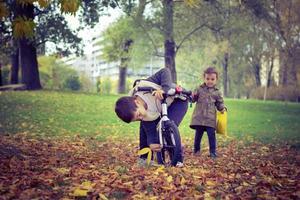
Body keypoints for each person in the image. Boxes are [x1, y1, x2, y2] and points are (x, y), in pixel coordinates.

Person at [115, 68, 188, 167]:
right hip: (160, 108)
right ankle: (145, 158)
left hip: (177, 101)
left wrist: (163, 89)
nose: (140, 118)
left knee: (169, 128)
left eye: (138, 115)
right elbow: (149, 128)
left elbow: (165, 71)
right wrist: (152, 142)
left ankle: (177, 159)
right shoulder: (142, 114)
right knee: (146, 125)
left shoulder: (146, 85)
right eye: (137, 119)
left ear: (136, 102)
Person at [190, 67, 226, 158]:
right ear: (204, 78)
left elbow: (219, 103)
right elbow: (193, 100)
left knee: (211, 135)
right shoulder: (199, 89)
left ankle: (212, 152)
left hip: (210, 118)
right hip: (199, 117)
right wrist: (193, 96)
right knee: (198, 135)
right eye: (208, 79)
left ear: (216, 80)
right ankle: (196, 150)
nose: (210, 81)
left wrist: (222, 108)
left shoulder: (217, 93)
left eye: (212, 79)